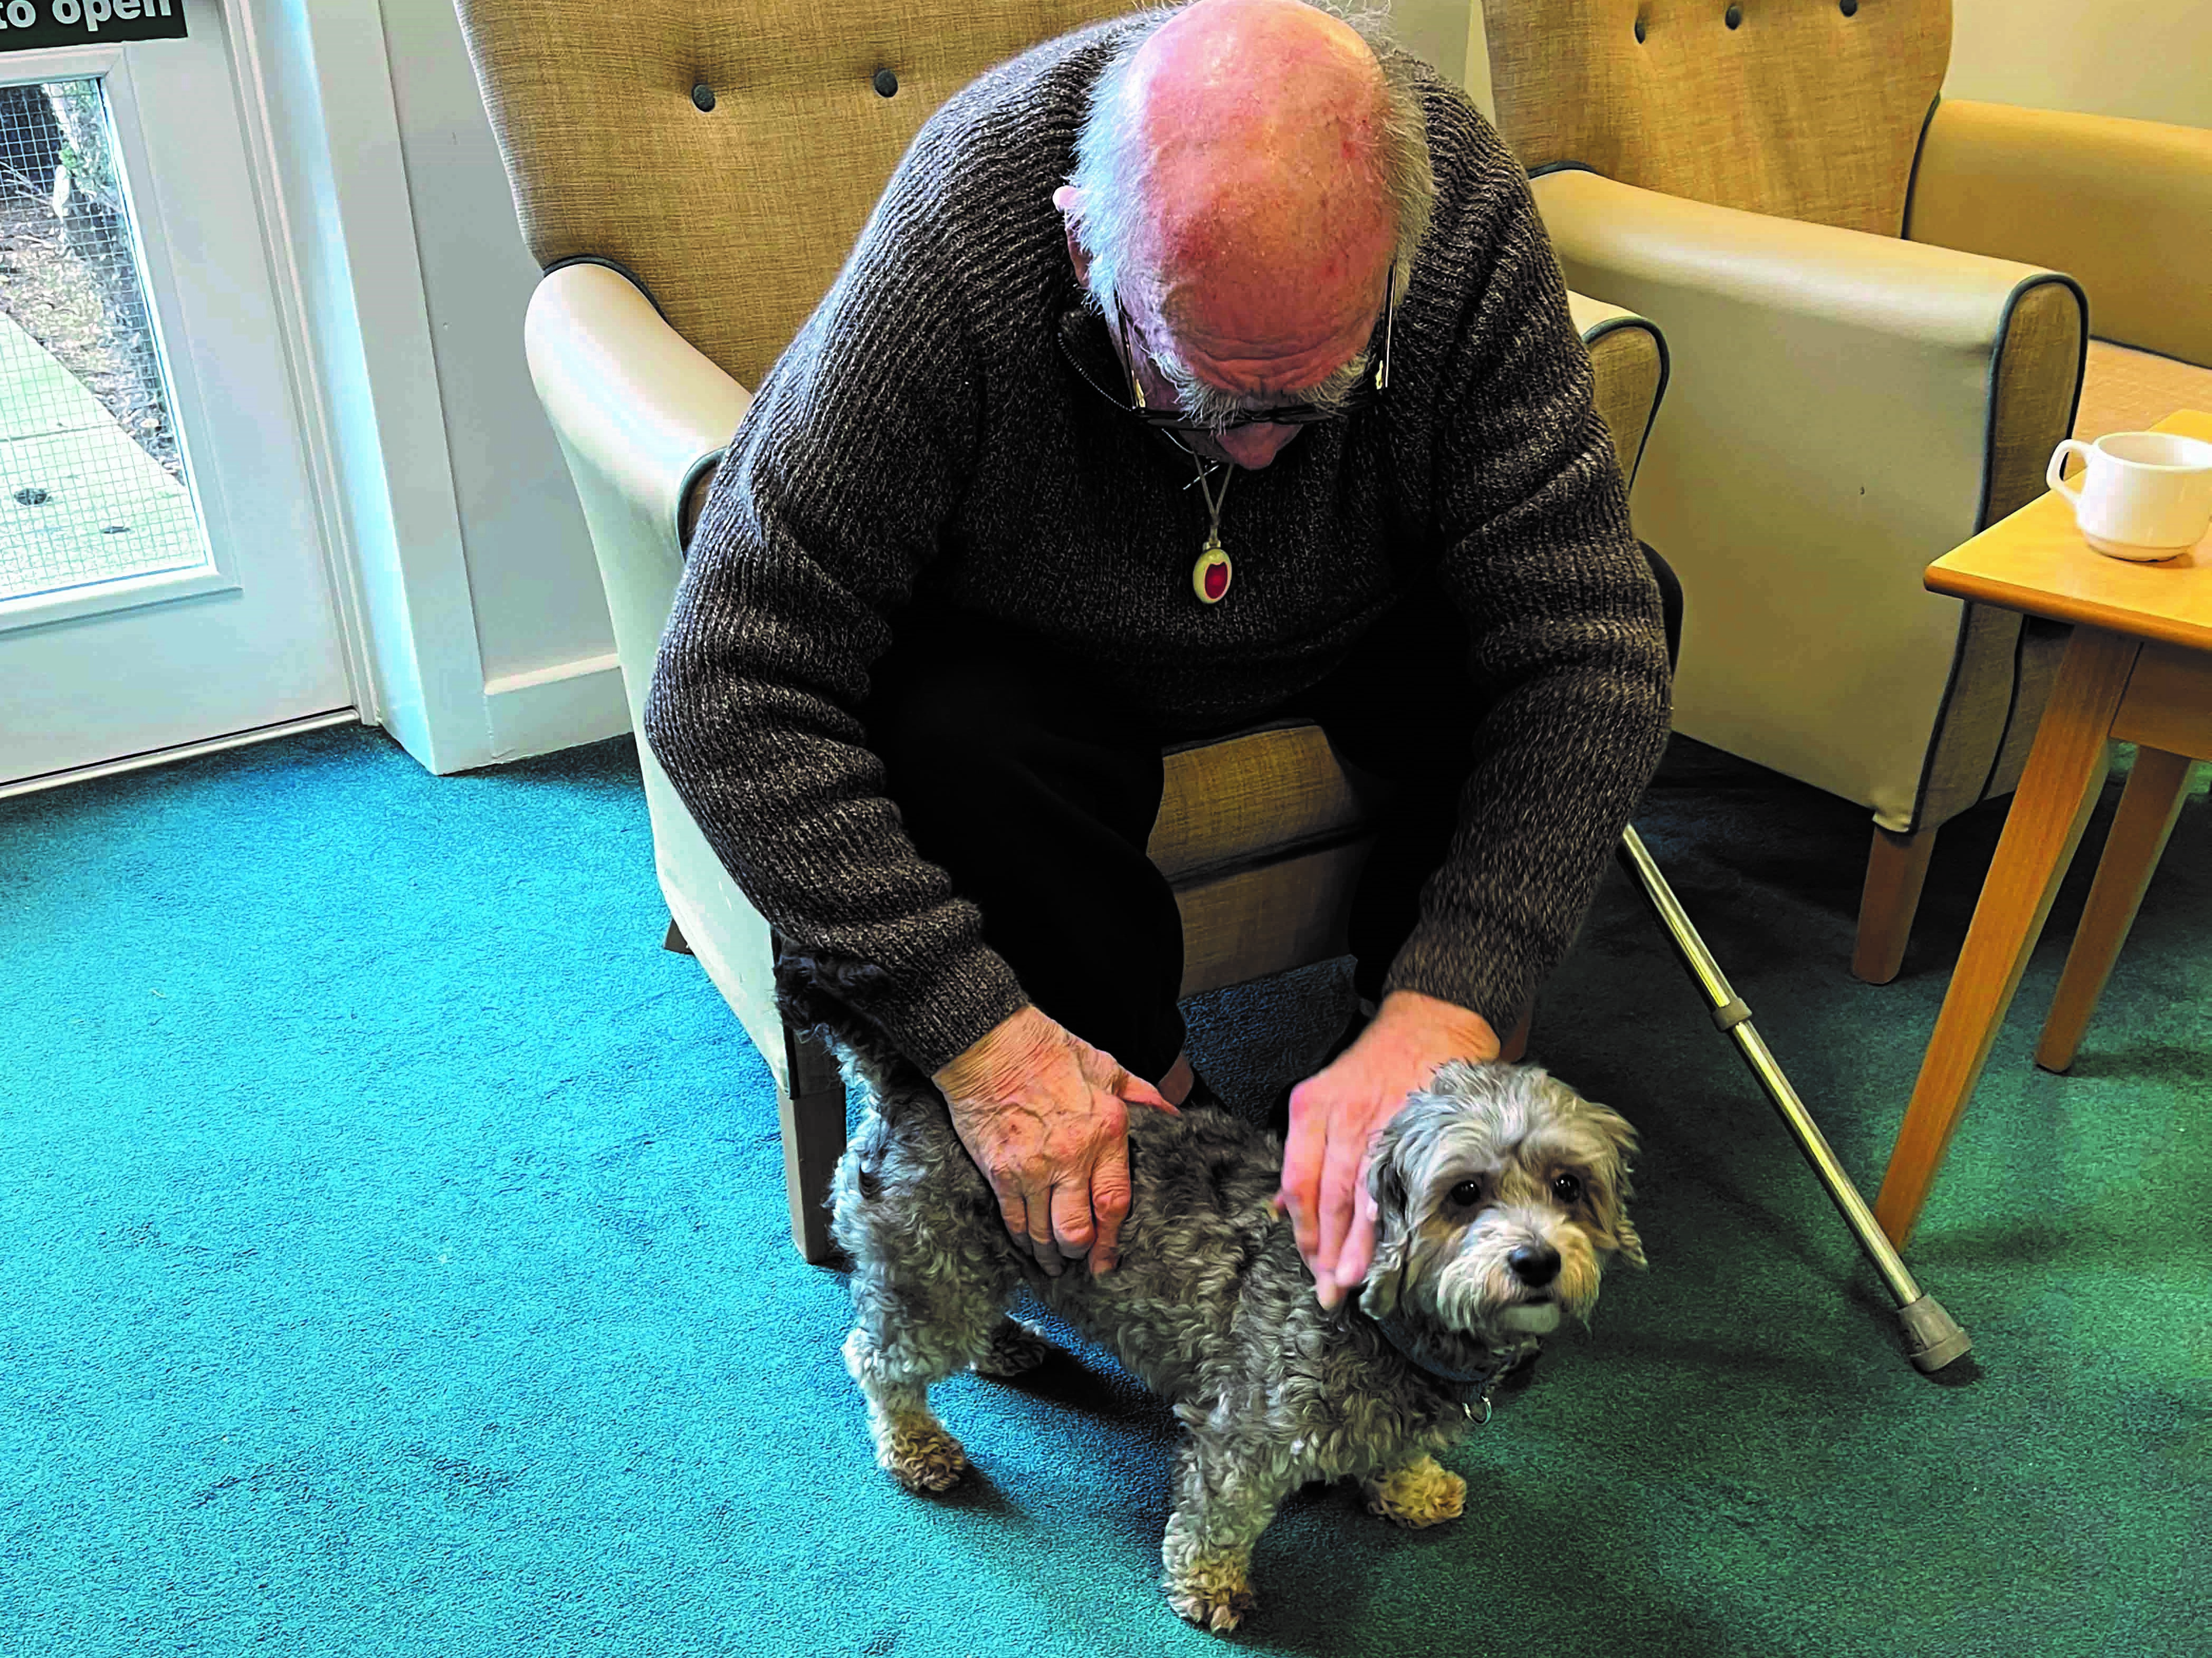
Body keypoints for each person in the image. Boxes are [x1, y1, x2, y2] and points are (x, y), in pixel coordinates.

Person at [644, 0, 1671, 1311]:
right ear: (1083, 244)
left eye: (1306, 394)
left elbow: (1589, 649)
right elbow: (726, 677)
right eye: (1188, 385)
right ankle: (1154, 1115)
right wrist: (981, 1042)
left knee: (1623, 604)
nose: (1248, 449)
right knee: (948, 727)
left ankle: (1426, 1091)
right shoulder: (962, 232)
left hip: (1357, 618)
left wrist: (1450, 996)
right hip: (1042, 662)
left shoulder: (1461, 211)